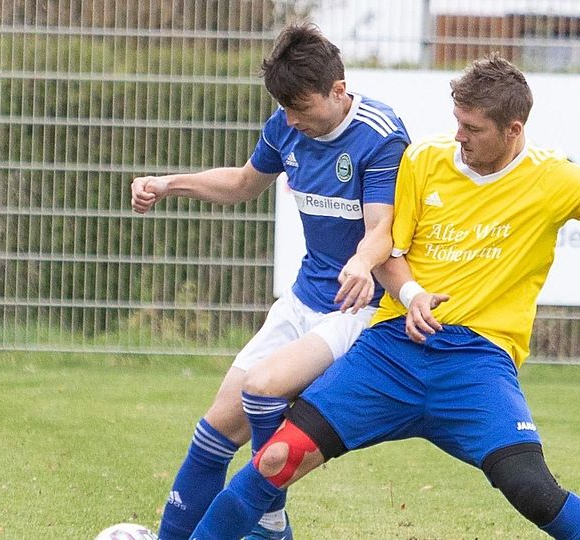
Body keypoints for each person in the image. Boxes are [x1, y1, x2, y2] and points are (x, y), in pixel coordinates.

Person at [188, 54, 580, 539]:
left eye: (473, 127)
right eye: (457, 121)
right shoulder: (424, 161)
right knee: (276, 460)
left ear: (512, 129)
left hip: (477, 365)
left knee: (532, 489)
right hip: (390, 353)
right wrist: (410, 295)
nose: (458, 135)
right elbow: (384, 248)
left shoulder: (553, 179)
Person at [130, 23, 410, 540]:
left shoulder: (381, 135)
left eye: (302, 107)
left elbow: (381, 230)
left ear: (338, 90)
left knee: (262, 393)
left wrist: (361, 263)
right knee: (215, 430)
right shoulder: (286, 125)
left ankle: (271, 522)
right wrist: (168, 184)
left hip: (356, 309)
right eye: (285, 108)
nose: (292, 120)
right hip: (304, 298)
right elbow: (241, 184)